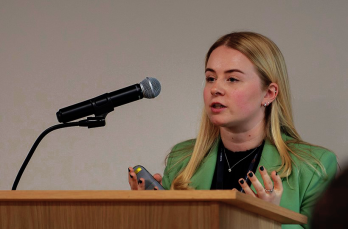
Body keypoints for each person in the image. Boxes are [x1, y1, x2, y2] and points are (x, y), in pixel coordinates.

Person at [128, 31, 337, 229]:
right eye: (211, 78)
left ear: (269, 94)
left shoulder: (314, 167)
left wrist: (270, 220)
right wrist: (148, 215)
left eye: (232, 79)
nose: (215, 89)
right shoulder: (182, 160)